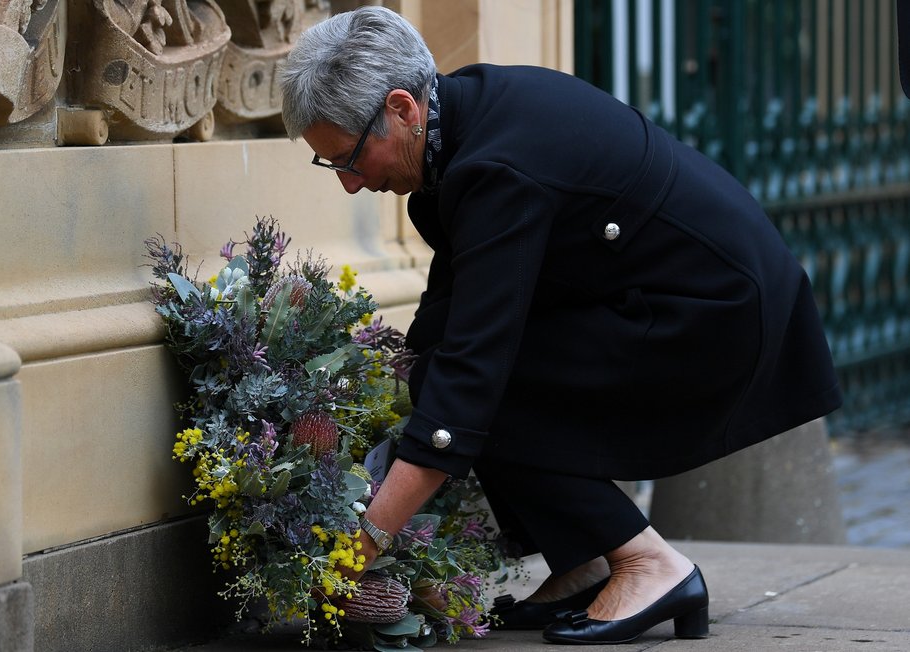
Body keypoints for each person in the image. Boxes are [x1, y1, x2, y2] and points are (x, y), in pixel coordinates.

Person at [278, 6, 842, 645]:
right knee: (450, 373)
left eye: (349, 158)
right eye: (332, 166)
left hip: (715, 315)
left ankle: (651, 563)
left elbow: (468, 382)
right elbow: (445, 330)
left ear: (403, 108)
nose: (350, 185)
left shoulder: (497, 170)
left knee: (480, 392)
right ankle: (586, 561)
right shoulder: (460, 124)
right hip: (669, 298)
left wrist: (353, 557)